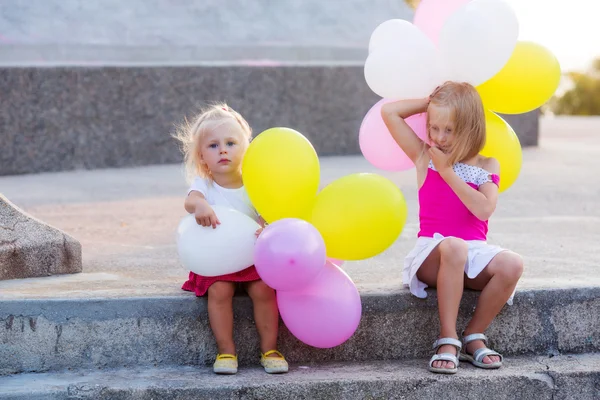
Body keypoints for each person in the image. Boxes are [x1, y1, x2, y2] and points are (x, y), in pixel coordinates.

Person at [381, 82, 524, 374]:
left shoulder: (488, 164)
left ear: (471, 128)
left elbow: (483, 208)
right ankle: (447, 338)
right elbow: (389, 112)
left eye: (449, 130)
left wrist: (447, 171)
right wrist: (428, 102)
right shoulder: (424, 156)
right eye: (434, 128)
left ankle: (474, 336)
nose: (439, 137)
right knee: (454, 246)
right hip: (433, 253)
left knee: (513, 264)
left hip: (474, 254)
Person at [173, 103, 288, 375]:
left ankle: (269, 348)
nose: (222, 150)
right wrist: (200, 207)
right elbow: (191, 200)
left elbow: (267, 214)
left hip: (251, 258)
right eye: (213, 146)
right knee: (219, 291)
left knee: (263, 290)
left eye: (231, 143)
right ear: (202, 157)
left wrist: (267, 227)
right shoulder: (204, 185)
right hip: (217, 260)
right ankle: (226, 350)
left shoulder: (254, 183)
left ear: (246, 150)